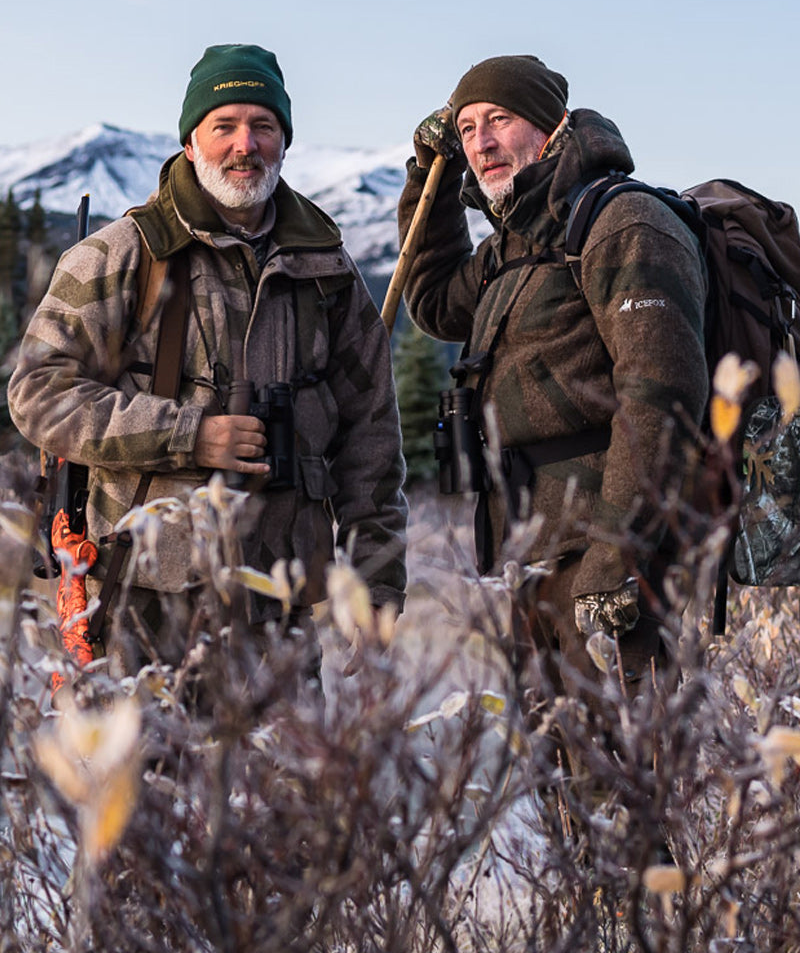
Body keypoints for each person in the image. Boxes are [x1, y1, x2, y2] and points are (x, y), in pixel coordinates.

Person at [10, 44, 407, 690]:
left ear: (284, 140)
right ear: (192, 143)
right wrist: (188, 435)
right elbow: (37, 392)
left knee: (278, 787)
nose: (244, 144)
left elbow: (372, 438)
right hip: (142, 593)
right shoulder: (119, 254)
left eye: (263, 126)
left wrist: (376, 587)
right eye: (223, 126)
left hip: (281, 602)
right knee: (142, 786)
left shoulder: (328, 269)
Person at [398, 54, 708, 717]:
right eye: (467, 127)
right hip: (536, 558)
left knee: (630, 774)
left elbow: (663, 396)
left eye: (500, 120)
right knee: (560, 774)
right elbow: (431, 300)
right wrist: (430, 170)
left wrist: (618, 555)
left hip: (613, 560)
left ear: (551, 127)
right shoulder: (517, 246)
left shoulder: (621, 224)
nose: (482, 141)